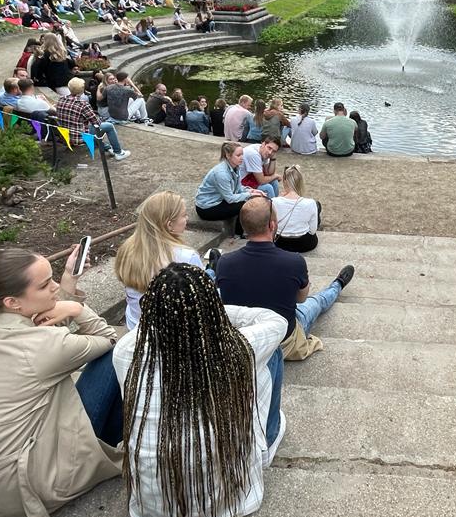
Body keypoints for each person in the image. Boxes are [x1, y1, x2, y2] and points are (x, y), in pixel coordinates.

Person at [0, 247, 123, 517]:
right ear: (13, 302)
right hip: (25, 488)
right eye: (45, 285)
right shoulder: (43, 348)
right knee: (118, 356)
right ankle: (126, 439)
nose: (54, 288)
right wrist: (76, 308)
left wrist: (68, 280)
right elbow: (108, 338)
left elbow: (46, 329)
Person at [114, 263, 287, 517]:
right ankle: (270, 436)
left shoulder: (126, 351)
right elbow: (276, 321)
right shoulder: (239, 349)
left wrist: (181, 311)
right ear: (213, 307)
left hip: (150, 508)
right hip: (231, 502)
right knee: (271, 355)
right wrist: (207, 309)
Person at [217, 197, 354, 446]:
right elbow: (301, 297)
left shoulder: (225, 263)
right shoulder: (293, 261)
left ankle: (336, 286)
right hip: (284, 338)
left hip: (242, 336)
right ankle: (338, 285)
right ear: (272, 225)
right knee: (314, 303)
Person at [115, 191, 205, 329]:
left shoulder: (126, 248)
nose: (187, 218)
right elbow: (200, 298)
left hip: (136, 324)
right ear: (169, 225)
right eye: (184, 215)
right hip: (172, 330)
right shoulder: (186, 257)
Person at [195, 143, 264, 235]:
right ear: (228, 155)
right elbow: (230, 198)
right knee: (244, 205)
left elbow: (238, 188)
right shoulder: (221, 173)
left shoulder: (236, 167)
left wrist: (251, 190)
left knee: (247, 200)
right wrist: (249, 194)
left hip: (219, 200)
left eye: (242, 154)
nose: (242, 157)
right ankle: (238, 234)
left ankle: (242, 232)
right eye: (238, 155)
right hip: (206, 207)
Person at [55, 78, 130, 160]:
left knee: (90, 127)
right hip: (79, 137)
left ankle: (107, 148)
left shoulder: (61, 99)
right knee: (108, 126)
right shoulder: (82, 104)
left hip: (65, 135)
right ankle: (118, 152)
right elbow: (97, 123)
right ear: (82, 89)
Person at [273, 165, 321, 253]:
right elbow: (313, 230)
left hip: (280, 243)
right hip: (304, 244)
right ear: (300, 182)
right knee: (317, 206)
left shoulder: (274, 201)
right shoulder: (310, 203)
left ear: (284, 181)